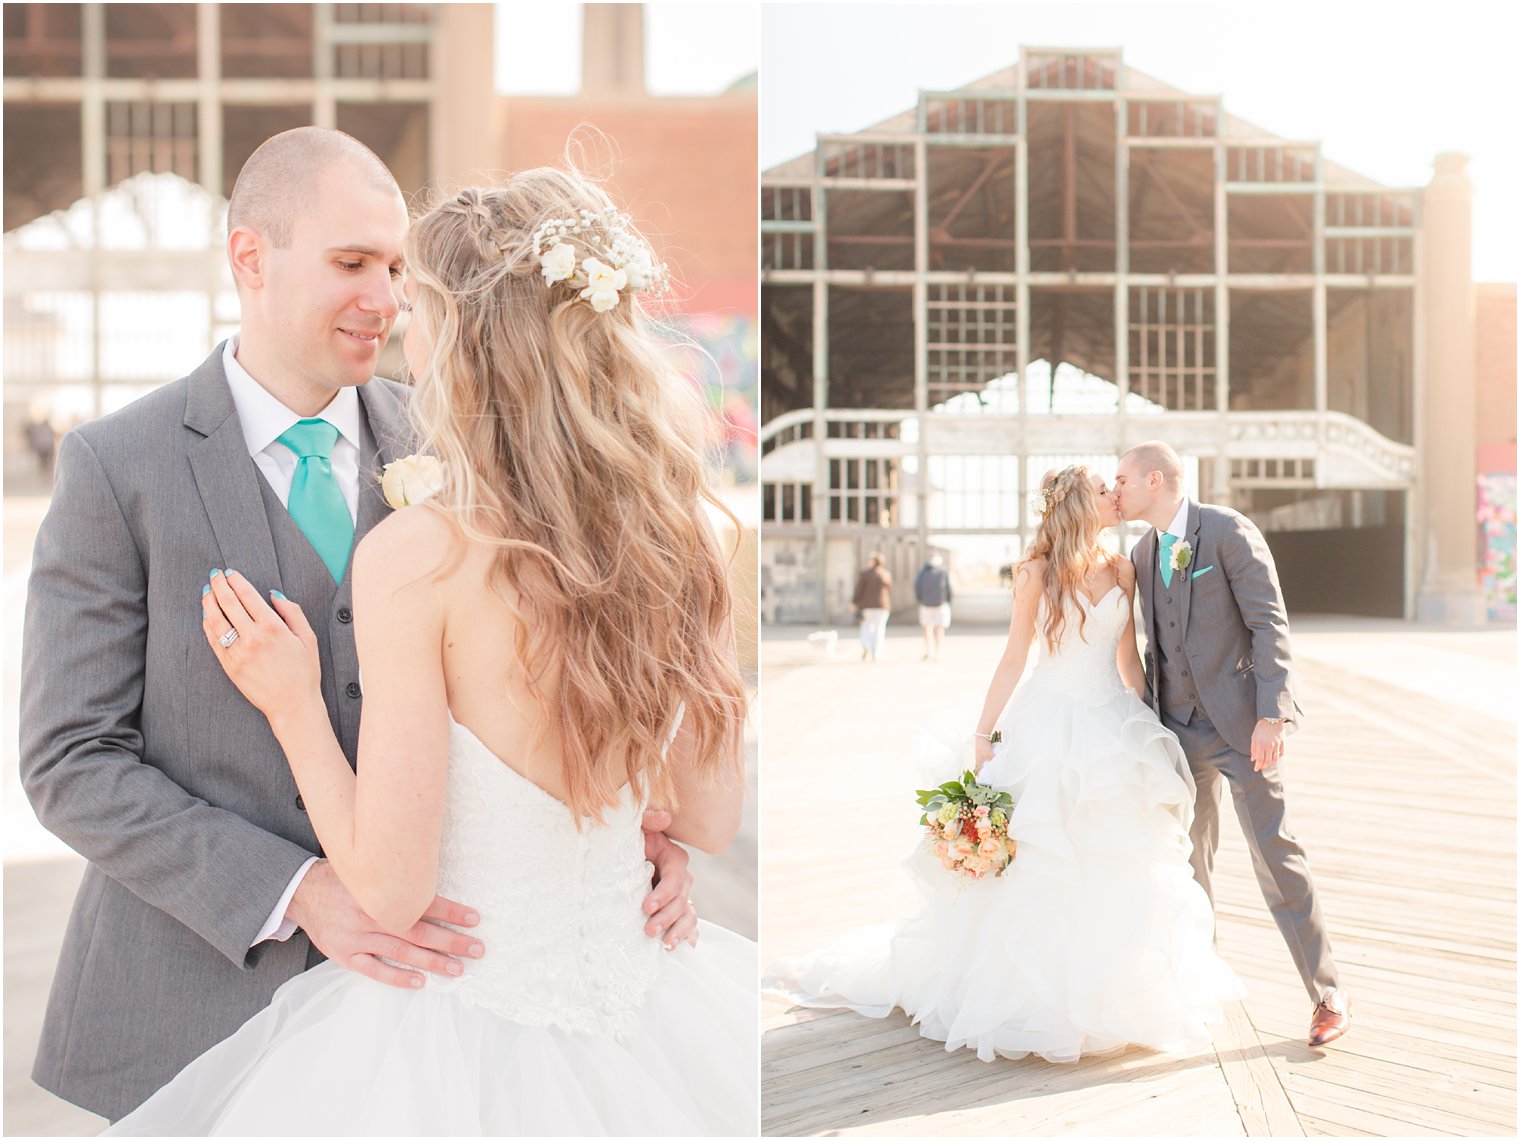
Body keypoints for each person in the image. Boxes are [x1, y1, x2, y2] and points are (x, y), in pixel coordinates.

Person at [19, 128, 702, 1128]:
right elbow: (69, 759)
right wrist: (293, 889)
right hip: (197, 1006)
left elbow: (560, 681)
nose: (385, 298)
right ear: (249, 258)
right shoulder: (117, 468)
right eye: (351, 264)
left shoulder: (470, 441)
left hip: (451, 1026)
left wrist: (631, 839)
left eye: (396, 266)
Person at [765, 465, 1242, 1063]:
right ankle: (1032, 1002)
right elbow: (1015, 657)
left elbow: (1128, 659)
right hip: (1049, 721)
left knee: (1117, 858)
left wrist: (1151, 722)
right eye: (1103, 489)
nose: (1114, 496)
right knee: (1041, 862)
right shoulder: (1036, 574)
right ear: (1076, 504)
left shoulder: (1123, 569)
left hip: (1110, 725)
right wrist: (984, 731)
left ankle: (1113, 992)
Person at [1113, 440, 1350, 1047]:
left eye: (1123, 480)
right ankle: (1202, 983)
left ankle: (1327, 993)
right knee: (1190, 861)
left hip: (1244, 729)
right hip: (1176, 730)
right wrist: (1147, 720)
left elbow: (1270, 624)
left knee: (1275, 852)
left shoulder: (1227, 531)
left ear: (1156, 480)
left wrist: (1272, 716)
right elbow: (1157, 644)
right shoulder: (1141, 552)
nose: (1116, 490)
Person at [852, 552, 892, 661]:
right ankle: (876, 652)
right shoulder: (886, 574)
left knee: (866, 627)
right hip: (882, 606)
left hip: (867, 606)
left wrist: (854, 602)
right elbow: (889, 589)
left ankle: (866, 645)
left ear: (874, 562)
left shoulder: (865, 575)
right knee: (879, 629)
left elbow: (858, 591)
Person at [913, 553, 953, 661]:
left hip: (926, 605)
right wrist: (948, 601)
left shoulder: (922, 573)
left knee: (927, 628)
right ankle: (938, 651)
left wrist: (921, 600)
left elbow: (917, 588)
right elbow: (949, 589)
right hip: (941, 605)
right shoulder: (943, 572)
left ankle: (928, 651)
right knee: (939, 629)